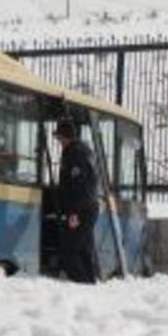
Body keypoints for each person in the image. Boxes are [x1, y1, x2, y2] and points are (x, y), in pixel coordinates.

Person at [53, 119, 100, 283]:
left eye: (59, 138)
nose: (58, 142)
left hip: (82, 209)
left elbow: (78, 185)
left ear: (65, 137)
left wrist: (74, 213)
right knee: (84, 250)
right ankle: (90, 285)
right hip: (89, 207)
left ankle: (81, 285)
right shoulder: (84, 150)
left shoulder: (75, 153)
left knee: (69, 251)